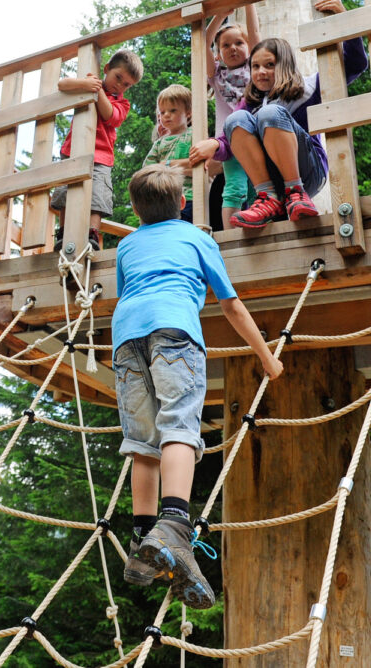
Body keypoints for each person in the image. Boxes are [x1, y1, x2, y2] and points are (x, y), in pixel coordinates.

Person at [114, 165, 283, 608]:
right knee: (179, 427)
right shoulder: (197, 238)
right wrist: (267, 357)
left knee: (143, 441)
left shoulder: (127, 245)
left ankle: (141, 540)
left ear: (135, 209)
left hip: (126, 338)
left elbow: (127, 292)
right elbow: (231, 305)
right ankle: (173, 523)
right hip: (174, 332)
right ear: (183, 204)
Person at [189, 0, 368, 229]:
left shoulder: (308, 88)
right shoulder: (251, 102)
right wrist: (214, 144)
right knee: (236, 118)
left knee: (270, 113)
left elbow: (356, 63)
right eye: (255, 66)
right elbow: (229, 142)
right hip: (272, 180)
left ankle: (296, 193)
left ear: (284, 65)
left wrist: (342, 16)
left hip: (307, 173)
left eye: (269, 65)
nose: (260, 72)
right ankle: (267, 198)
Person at [50, 49, 143, 250]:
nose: (120, 85)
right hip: (73, 150)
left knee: (97, 194)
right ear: (107, 69)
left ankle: (92, 234)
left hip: (101, 156)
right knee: (66, 191)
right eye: (118, 77)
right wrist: (85, 84)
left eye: (126, 84)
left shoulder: (122, 102)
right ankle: (63, 232)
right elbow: (62, 84)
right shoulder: (89, 84)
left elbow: (111, 117)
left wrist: (97, 90)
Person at [204, 0, 260, 227]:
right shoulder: (216, 75)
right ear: (218, 54)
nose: (233, 48)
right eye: (225, 45)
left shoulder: (255, 67)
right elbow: (203, 41)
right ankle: (231, 236)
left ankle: (258, 230)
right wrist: (220, 14)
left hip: (258, 137)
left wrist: (247, 0)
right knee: (235, 187)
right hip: (230, 141)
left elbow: (255, 34)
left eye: (239, 43)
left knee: (259, 188)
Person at [141, 84, 194, 223]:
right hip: (164, 200)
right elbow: (147, 170)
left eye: (173, 110)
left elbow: (200, 164)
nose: (166, 115)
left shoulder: (194, 134)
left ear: (188, 112)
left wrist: (165, 167)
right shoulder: (159, 143)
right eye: (162, 112)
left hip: (189, 196)